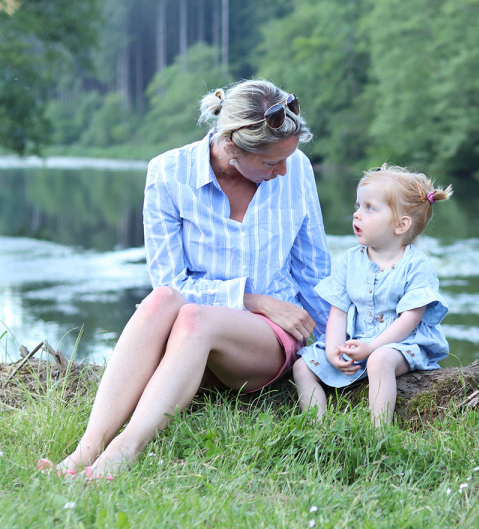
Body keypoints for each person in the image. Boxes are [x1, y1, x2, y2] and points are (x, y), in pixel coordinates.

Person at [37, 79, 331, 480]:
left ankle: (123, 452)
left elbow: (314, 270)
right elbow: (169, 282)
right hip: (200, 332)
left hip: (265, 339)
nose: (283, 170)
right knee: (161, 301)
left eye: (286, 159)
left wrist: (341, 346)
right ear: (230, 146)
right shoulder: (167, 172)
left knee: (195, 318)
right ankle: (85, 449)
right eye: (270, 163)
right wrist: (250, 299)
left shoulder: (296, 169)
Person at [293, 164, 451, 427]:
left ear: (401, 225)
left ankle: (379, 432)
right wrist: (333, 350)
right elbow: (338, 312)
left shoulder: (416, 265)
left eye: (369, 208)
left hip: (402, 344)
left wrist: (373, 347)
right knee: (303, 366)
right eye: (358, 206)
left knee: (380, 360)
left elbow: (408, 321)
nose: (357, 215)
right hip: (360, 341)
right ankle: (316, 426)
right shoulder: (349, 260)